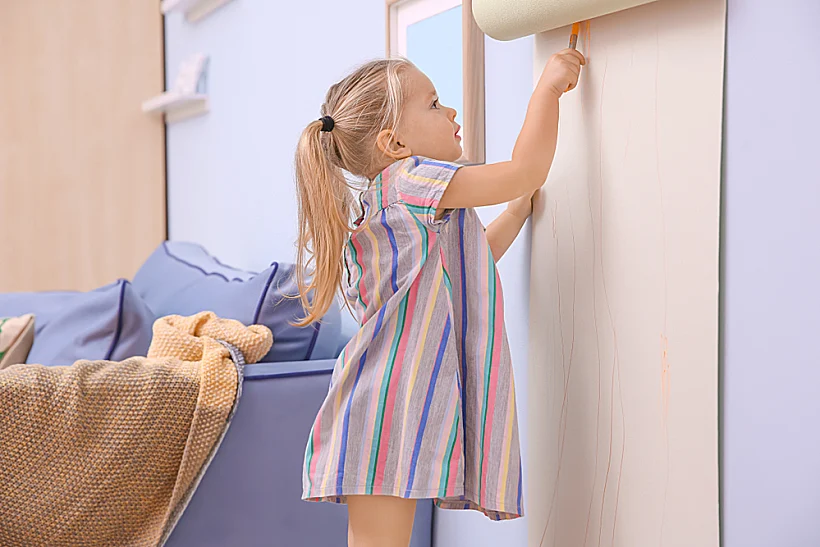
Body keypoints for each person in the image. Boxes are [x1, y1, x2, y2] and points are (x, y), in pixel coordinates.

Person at [294, 48, 585, 547]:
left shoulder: (388, 200)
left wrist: (513, 217)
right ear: (395, 142)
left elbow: (458, 275)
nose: (450, 112)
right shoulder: (411, 179)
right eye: (433, 104)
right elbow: (522, 171)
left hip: (386, 401)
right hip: (387, 402)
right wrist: (548, 89)